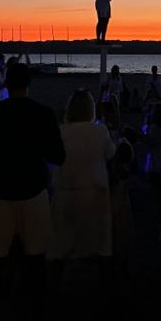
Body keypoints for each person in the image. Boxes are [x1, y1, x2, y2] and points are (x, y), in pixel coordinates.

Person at [0, 64, 65, 321]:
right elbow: (58, 156)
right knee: (36, 258)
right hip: (32, 193)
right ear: (29, 84)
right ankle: (36, 316)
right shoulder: (43, 115)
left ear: (5, 85)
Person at [47, 91, 116, 267]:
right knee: (98, 245)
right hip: (95, 193)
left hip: (66, 191)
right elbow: (111, 153)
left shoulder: (61, 132)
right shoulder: (100, 131)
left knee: (61, 246)